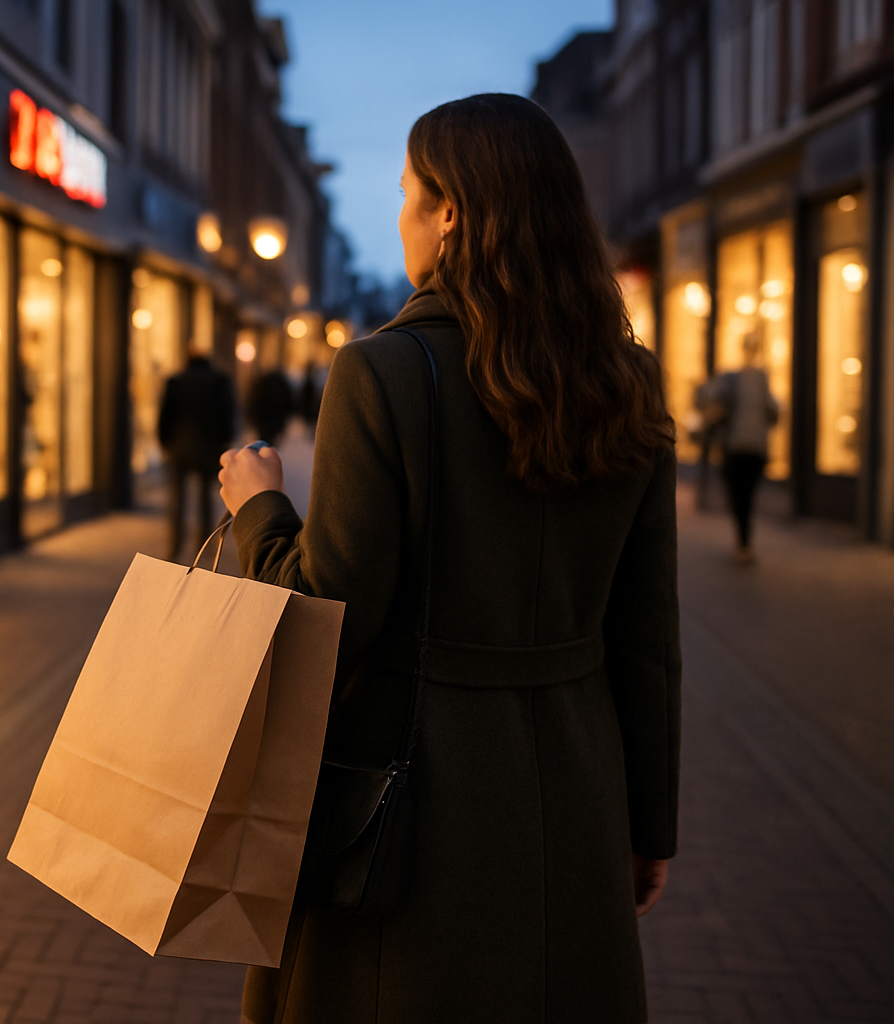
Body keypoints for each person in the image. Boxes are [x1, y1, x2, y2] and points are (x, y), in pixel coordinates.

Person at [219, 94, 679, 1023]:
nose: (400, 215)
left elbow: (328, 614)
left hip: (410, 804)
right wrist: (648, 823)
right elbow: (647, 635)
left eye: (406, 193)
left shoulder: (384, 372)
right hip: (576, 793)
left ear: (451, 212)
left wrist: (259, 508)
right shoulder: (625, 380)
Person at [700, 335, 778, 564]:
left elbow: (709, 400)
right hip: (756, 447)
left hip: (735, 446)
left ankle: (743, 542)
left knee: (738, 496)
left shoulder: (730, 378)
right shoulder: (762, 378)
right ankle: (744, 542)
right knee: (747, 496)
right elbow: (773, 412)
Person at [157, 350, 235, 561]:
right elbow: (227, 414)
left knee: (177, 498)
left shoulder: (176, 381)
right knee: (205, 498)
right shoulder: (219, 381)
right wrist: (225, 441)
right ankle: (204, 543)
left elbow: (165, 415)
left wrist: (165, 442)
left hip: (179, 447)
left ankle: (175, 543)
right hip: (208, 447)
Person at [247, 366, 295, 444]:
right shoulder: (280, 383)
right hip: (275, 418)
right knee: (272, 438)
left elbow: (254, 401)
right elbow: (288, 400)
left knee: (265, 438)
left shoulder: (261, 383)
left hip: (263, 418)